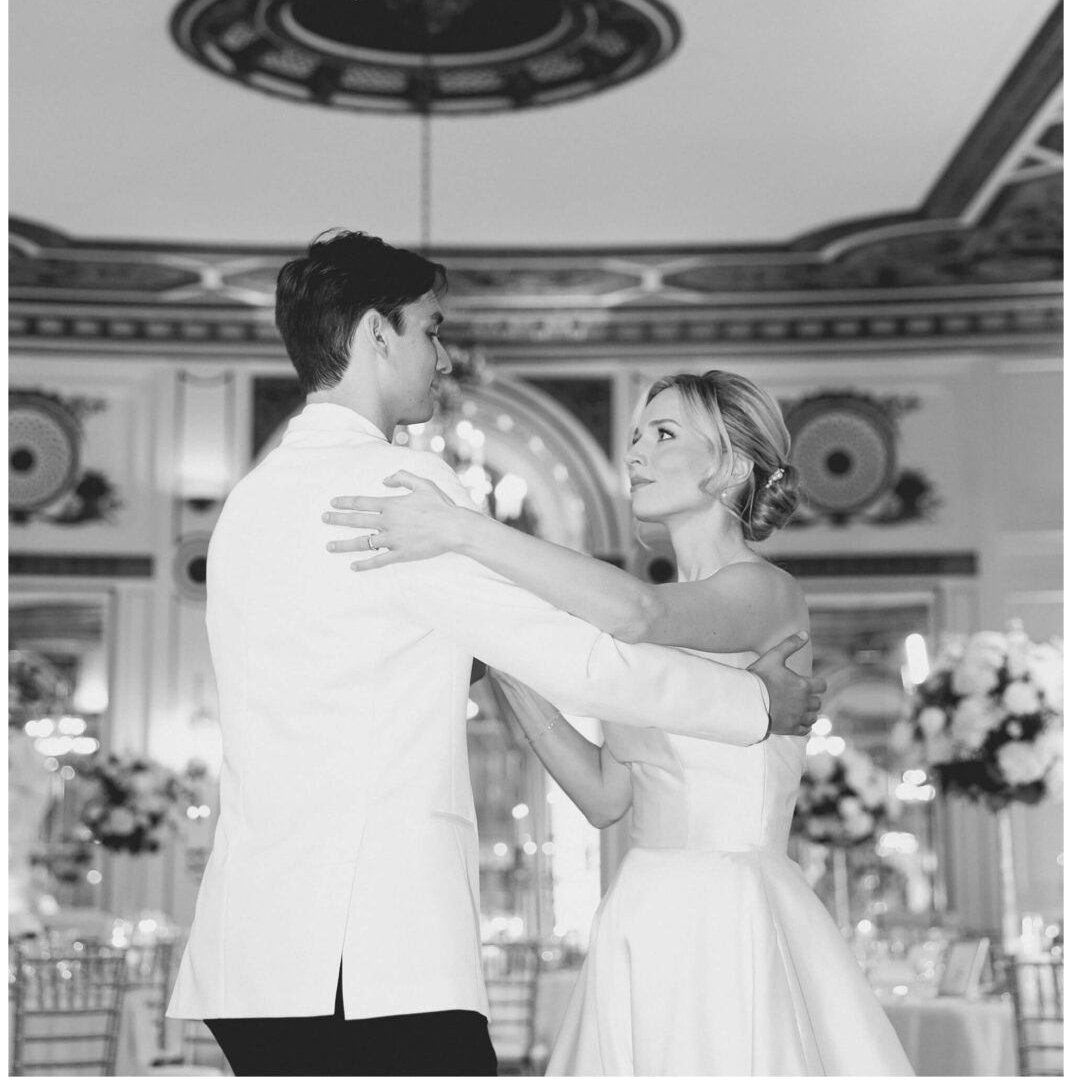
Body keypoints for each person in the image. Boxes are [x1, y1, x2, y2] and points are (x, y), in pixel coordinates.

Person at [166, 232, 827, 1078]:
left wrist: (493, 643)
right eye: (431, 330)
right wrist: (759, 706)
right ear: (378, 333)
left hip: (250, 952)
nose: (443, 356)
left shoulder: (246, 506)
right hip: (369, 950)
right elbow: (591, 660)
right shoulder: (402, 486)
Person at [325, 369, 913, 1076]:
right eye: (635, 436)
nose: (634, 453)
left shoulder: (762, 590)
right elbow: (607, 798)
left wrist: (465, 530)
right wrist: (507, 659)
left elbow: (640, 614)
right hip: (640, 904)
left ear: (730, 466)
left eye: (663, 435)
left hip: (729, 907)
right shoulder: (653, 610)